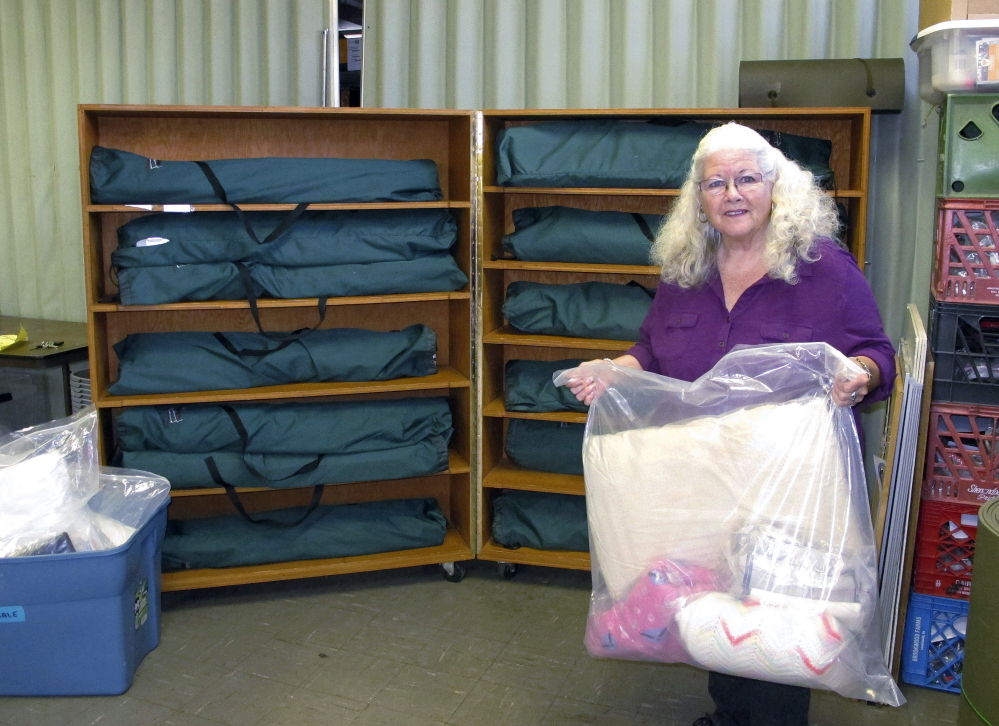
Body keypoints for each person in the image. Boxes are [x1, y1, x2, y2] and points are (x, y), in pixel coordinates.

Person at [567, 122, 896, 726]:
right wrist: (615, 371)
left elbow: (878, 351)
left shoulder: (823, 267)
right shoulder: (686, 268)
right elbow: (652, 348)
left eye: (747, 178)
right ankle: (730, 718)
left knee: (778, 619)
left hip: (788, 482)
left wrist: (864, 375)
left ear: (777, 187)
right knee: (715, 606)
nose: (733, 193)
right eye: (716, 183)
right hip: (705, 474)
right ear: (700, 199)